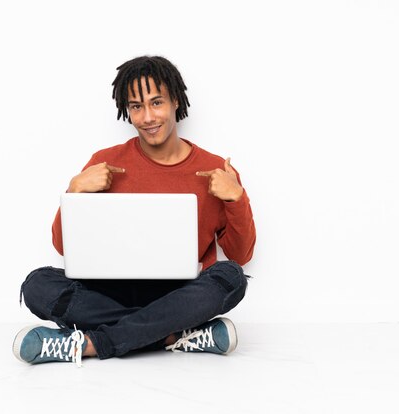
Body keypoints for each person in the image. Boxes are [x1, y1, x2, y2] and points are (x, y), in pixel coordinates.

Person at [13, 56, 256, 367]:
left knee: (232, 277)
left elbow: (240, 254)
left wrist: (236, 198)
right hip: (110, 294)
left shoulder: (214, 169)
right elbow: (62, 247)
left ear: (176, 101)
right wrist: (74, 192)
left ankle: (92, 344)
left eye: (157, 103)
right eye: (136, 106)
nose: (147, 117)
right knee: (37, 285)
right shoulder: (105, 161)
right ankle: (173, 335)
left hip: (179, 294)